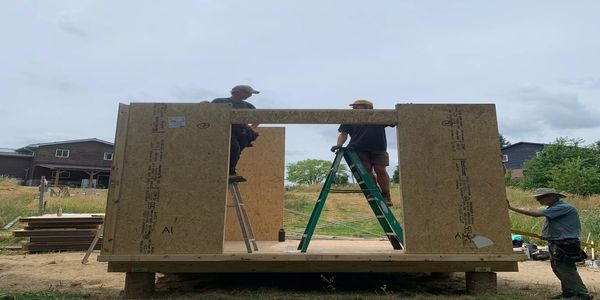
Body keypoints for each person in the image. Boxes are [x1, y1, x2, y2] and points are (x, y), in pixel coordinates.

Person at [508, 188, 592, 300]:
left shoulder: (563, 207)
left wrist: (511, 207)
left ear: (553, 196)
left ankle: (582, 294)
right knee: (558, 268)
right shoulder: (554, 208)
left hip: (565, 243)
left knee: (565, 268)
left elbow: (535, 214)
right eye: (537, 198)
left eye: (541, 197)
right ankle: (568, 292)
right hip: (558, 242)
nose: (538, 200)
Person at [331, 100, 395, 206]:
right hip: (358, 149)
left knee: (380, 170)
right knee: (366, 171)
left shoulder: (378, 116)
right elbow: (343, 134)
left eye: (356, 106)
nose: (353, 109)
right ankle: (375, 192)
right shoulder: (349, 117)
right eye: (353, 107)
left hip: (378, 148)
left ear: (367, 107)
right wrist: (339, 145)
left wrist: (402, 112)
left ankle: (386, 195)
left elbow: (395, 120)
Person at [211, 85, 260, 182]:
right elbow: (207, 112)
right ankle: (230, 173)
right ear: (237, 92)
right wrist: (203, 105)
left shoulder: (248, 106)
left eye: (250, 94)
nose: (250, 95)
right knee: (234, 148)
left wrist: (252, 127)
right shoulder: (220, 101)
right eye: (248, 93)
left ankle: (230, 172)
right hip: (226, 131)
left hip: (241, 133)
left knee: (236, 152)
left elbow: (259, 117)